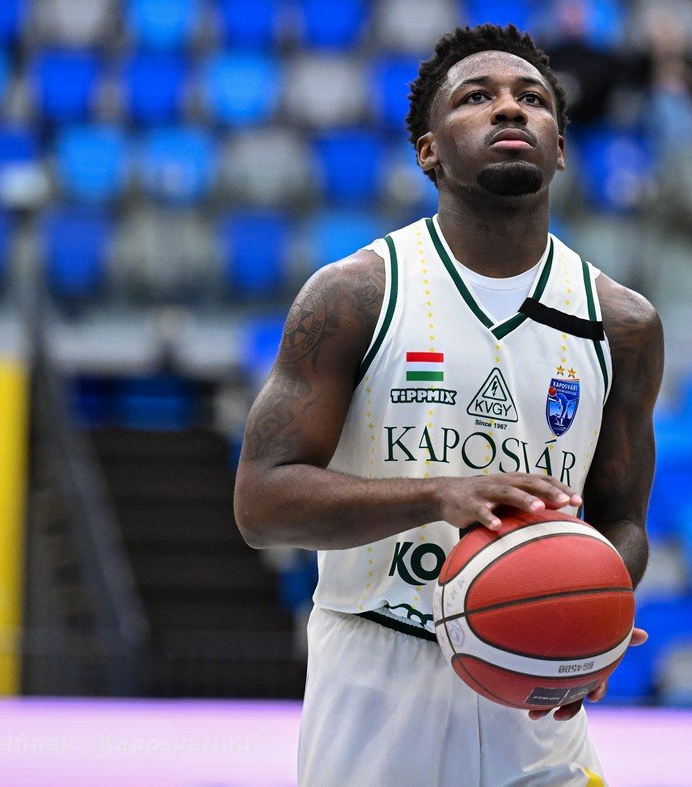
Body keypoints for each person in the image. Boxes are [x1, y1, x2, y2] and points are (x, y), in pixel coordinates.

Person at [233, 23, 663, 787]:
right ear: (428, 150)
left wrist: (595, 609)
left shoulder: (622, 323)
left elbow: (623, 520)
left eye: (533, 99)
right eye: (476, 97)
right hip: (377, 674)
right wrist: (440, 495)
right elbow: (262, 503)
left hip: (529, 684)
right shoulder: (355, 294)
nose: (510, 108)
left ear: (561, 148)